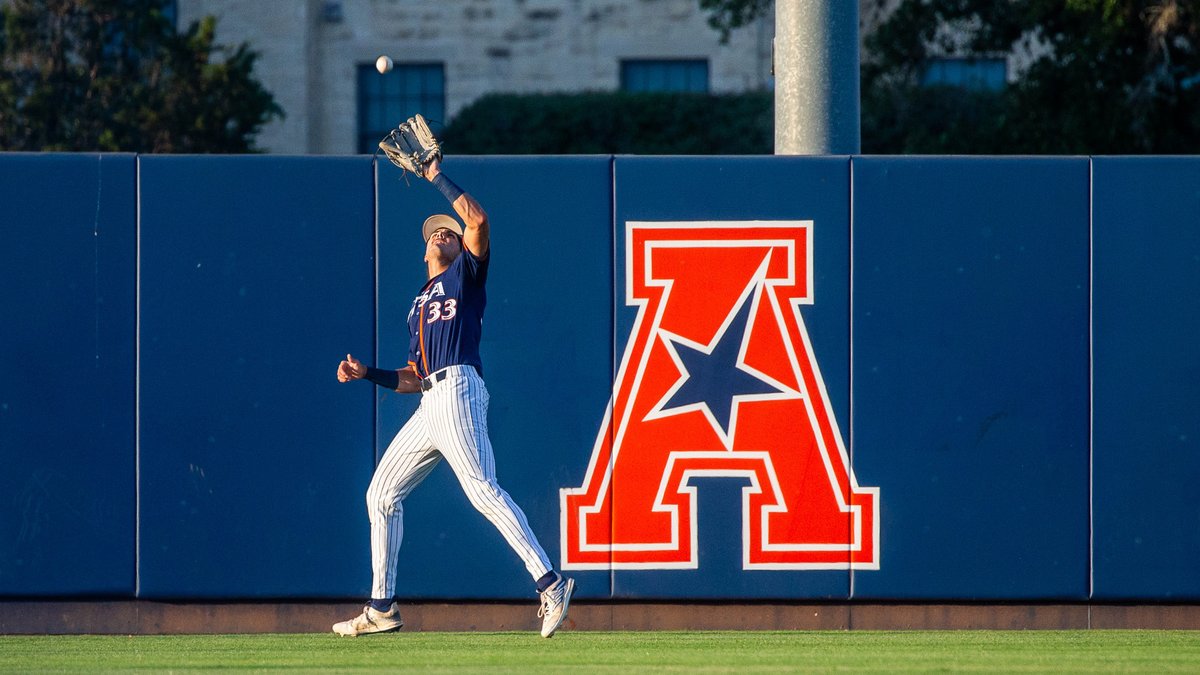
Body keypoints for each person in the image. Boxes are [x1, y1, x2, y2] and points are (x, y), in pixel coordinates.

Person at [332, 157, 574, 638]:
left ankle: (549, 583)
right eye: (436, 233)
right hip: (430, 400)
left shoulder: (466, 274)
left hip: (460, 387)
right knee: (381, 494)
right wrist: (367, 374)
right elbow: (413, 377)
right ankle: (382, 607)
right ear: (424, 248)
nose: (445, 233)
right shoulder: (418, 305)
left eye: (450, 231)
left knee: (482, 489)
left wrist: (434, 176)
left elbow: (478, 221)